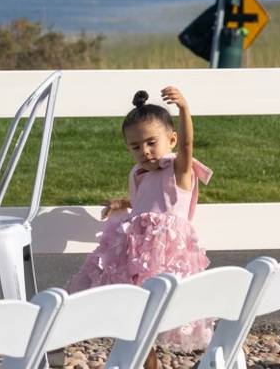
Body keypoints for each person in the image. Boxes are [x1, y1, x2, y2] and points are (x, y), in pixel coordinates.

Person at [68, 86, 214, 357]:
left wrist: (184, 109)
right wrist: (121, 204)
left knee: (159, 308)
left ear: (171, 139)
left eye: (151, 142)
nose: (145, 151)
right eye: (136, 147)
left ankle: (148, 355)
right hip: (134, 252)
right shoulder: (138, 173)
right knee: (133, 311)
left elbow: (187, 146)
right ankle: (144, 359)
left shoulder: (179, 171)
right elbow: (144, 204)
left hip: (166, 255)